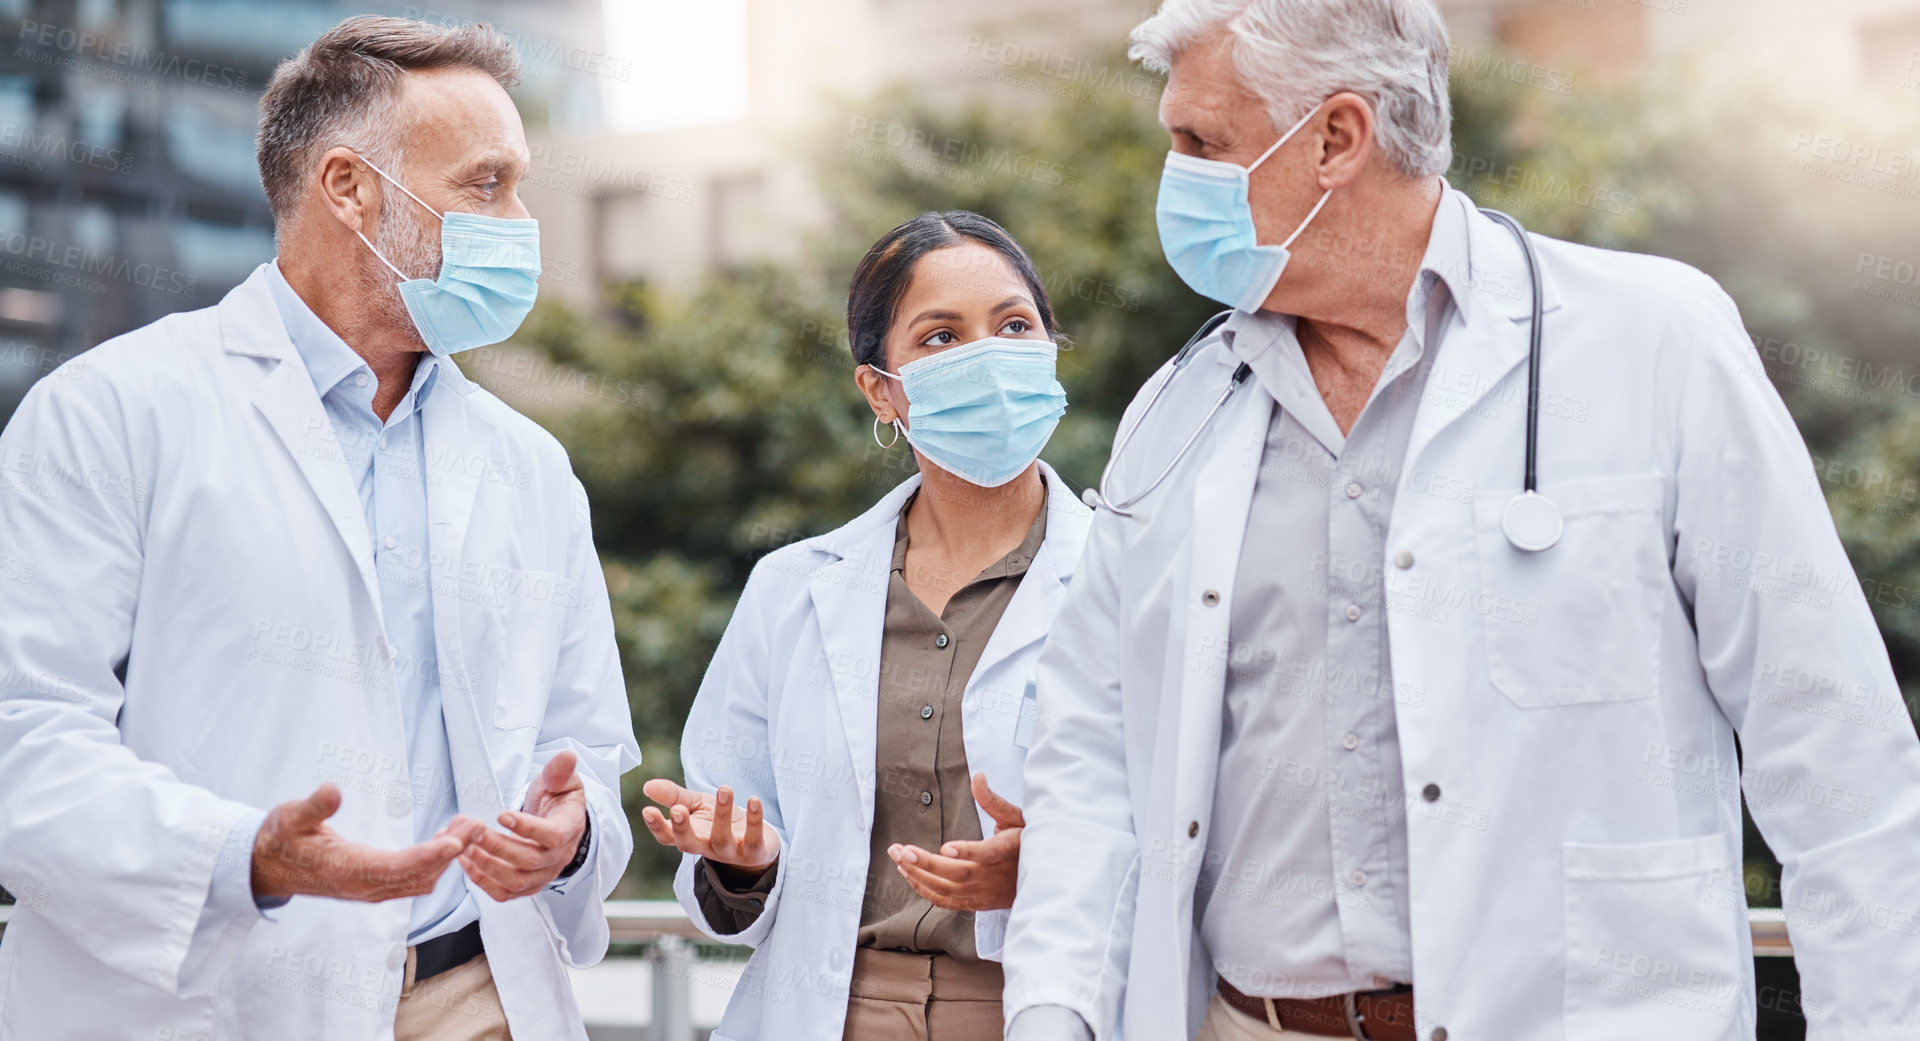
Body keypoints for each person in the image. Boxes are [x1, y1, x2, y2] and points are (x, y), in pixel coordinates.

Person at [1002, 2, 1920, 1040]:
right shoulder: (1179, 408)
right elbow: (1088, 751)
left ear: (1337, 139)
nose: (1175, 178)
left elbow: (1834, 750)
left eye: (1201, 143)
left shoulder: (1651, 342)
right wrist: (1052, 1012)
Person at [0, 17, 640, 1040]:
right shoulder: (108, 414)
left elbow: (583, 742)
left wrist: (567, 836)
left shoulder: (530, 468)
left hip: (480, 999)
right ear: (349, 187)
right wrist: (243, 853)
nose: (520, 220)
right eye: (486, 185)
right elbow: (23, 738)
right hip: (212, 999)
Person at [640, 210, 1090, 1041]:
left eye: (1015, 325)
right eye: (942, 338)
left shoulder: (1126, 577)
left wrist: (1051, 871)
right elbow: (735, 844)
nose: (989, 356)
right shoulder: (793, 589)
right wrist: (741, 862)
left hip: (1040, 1007)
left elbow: (1185, 829)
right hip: (832, 1011)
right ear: (881, 388)